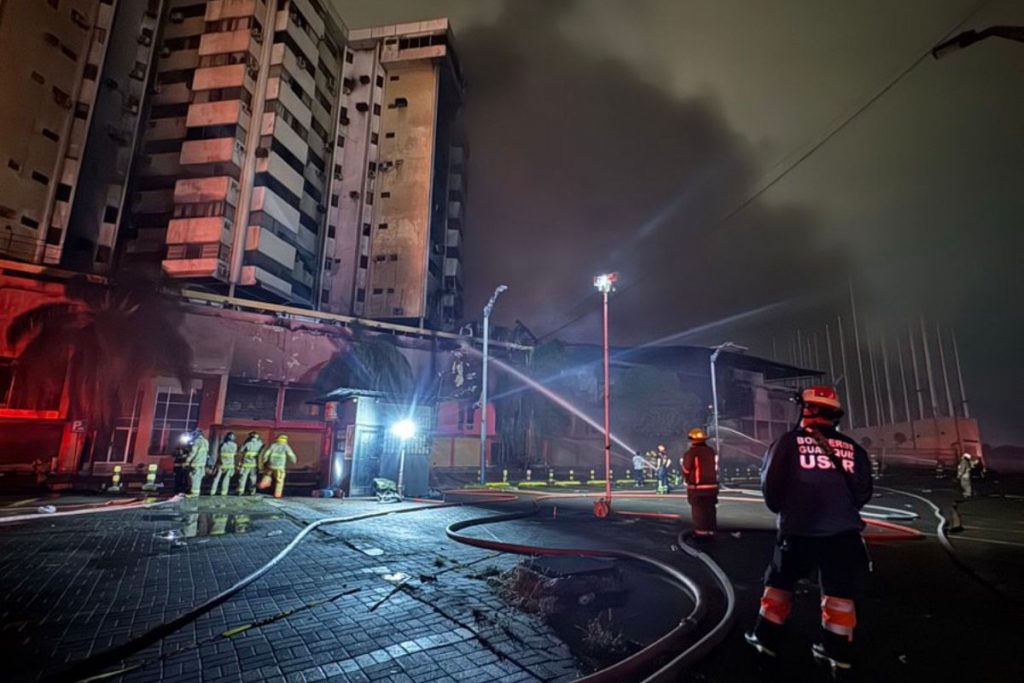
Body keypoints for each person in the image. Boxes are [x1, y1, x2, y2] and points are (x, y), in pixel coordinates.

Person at [745, 386, 873, 674]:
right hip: (843, 535)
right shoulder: (855, 449)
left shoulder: (787, 443)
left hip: (798, 533)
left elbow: (771, 490)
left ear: (805, 409)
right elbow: (863, 492)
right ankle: (838, 653)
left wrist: (790, 510)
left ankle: (765, 640)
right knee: (839, 595)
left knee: (779, 585)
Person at [681, 427, 719, 536]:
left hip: (697, 488)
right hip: (712, 487)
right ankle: (711, 531)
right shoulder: (711, 451)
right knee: (710, 509)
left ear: (692, 440)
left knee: (699, 511)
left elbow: (686, 469)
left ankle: (701, 534)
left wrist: (687, 480)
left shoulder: (691, 452)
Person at [259, 434, 297, 498]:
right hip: (280, 467)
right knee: (279, 481)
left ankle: (264, 483)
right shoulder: (286, 446)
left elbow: (267, 453)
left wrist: (264, 460)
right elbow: (291, 455)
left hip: (271, 465)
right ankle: (277, 494)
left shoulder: (273, 445)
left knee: (267, 474)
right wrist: (294, 460)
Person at [182, 428, 210, 497]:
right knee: (198, 478)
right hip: (202, 463)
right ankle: (195, 492)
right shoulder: (206, 441)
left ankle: (194, 493)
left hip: (196, 463)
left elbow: (193, 453)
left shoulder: (197, 442)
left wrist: (187, 461)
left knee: (194, 478)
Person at [209, 432, 238, 496]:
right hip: (230, 465)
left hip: (221, 464)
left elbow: (219, 454)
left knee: (216, 478)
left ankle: (212, 491)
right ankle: (224, 492)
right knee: (226, 479)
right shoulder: (235, 445)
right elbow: (235, 455)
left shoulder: (222, 445)